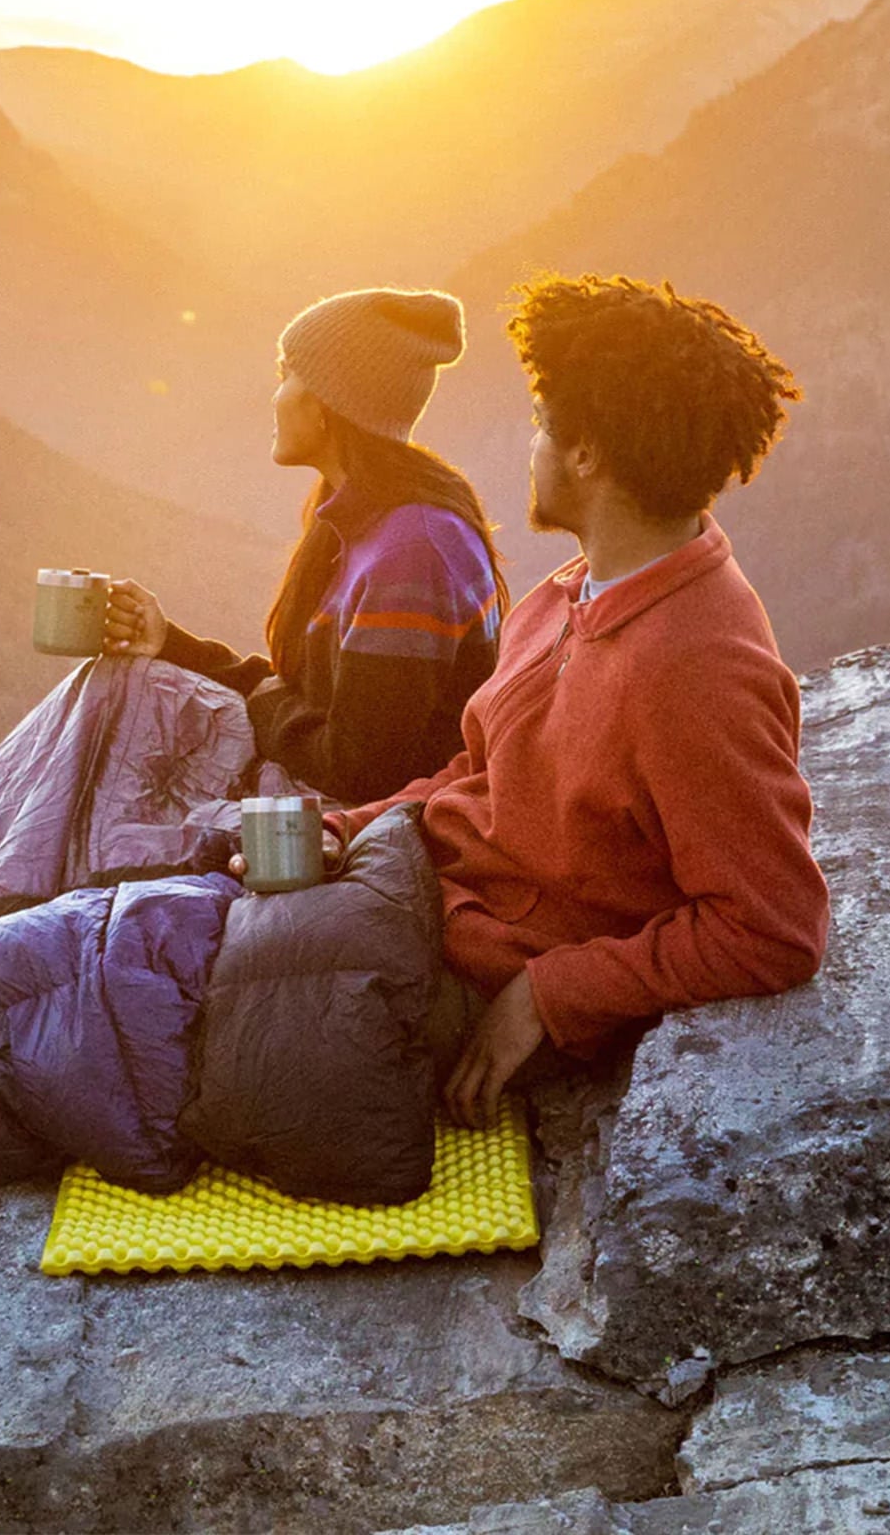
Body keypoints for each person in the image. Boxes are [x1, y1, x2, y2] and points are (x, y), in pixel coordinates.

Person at [238, 273, 830, 1126]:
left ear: (587, 454)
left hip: (474, 974)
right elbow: (474, 769)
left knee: (160, 1007)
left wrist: (549, 994)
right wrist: (350, 828)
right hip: (419, 896)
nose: (531, 446)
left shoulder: (698, 665)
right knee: (155, 928)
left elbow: (773, 927)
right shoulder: (569, 595)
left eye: (543, 426)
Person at [106, 286, 507, 805]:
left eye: (285, 375)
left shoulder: (413, 550)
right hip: (335, 811)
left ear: (327, 404)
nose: (275, 396)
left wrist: (264, 699)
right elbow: (308, 704)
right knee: (116, 689)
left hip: (380, 832)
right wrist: (170, 646)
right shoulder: (359, 522)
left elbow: (356, 771)